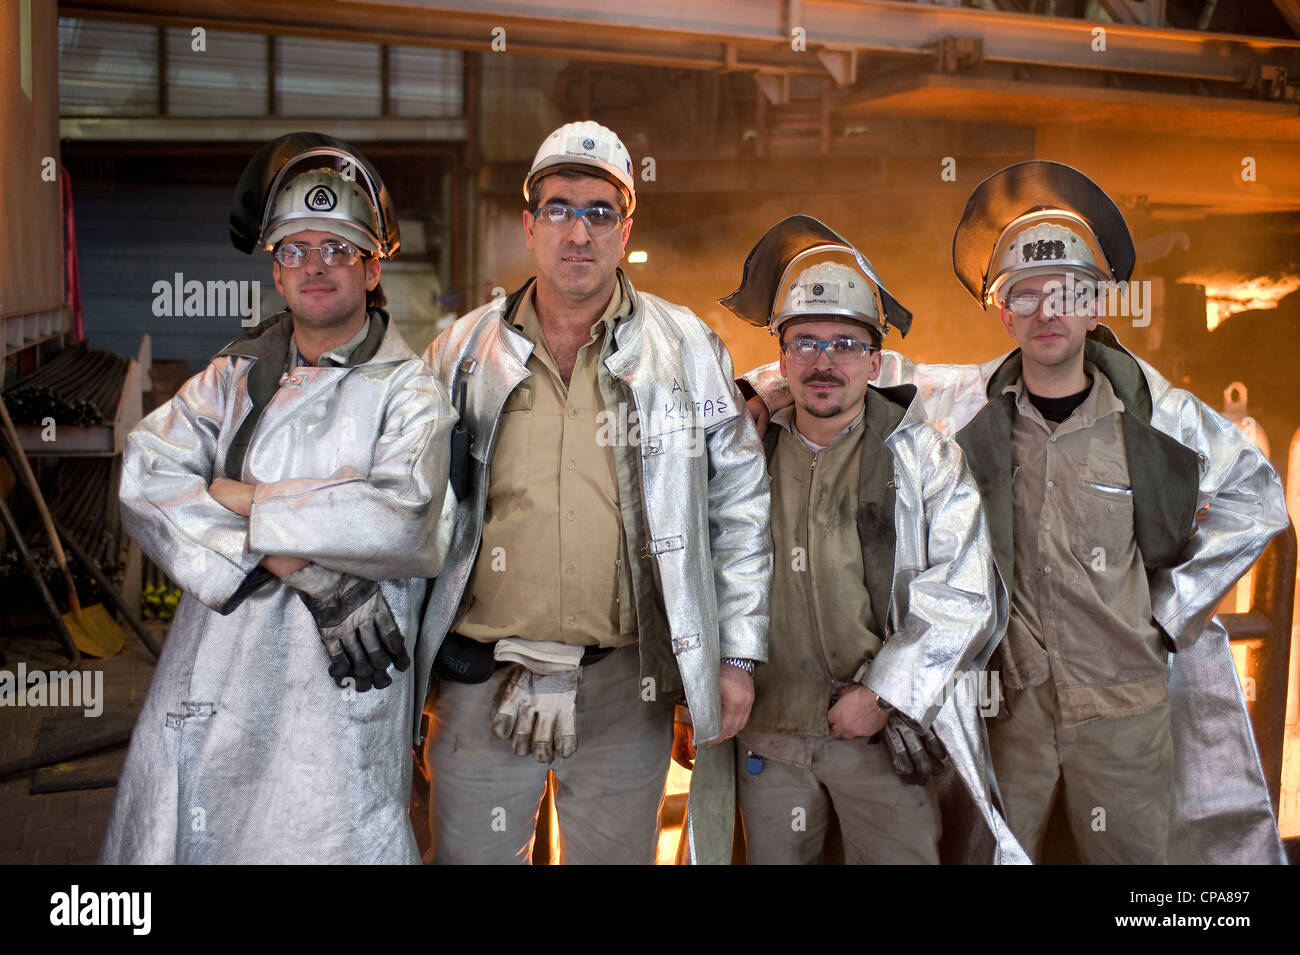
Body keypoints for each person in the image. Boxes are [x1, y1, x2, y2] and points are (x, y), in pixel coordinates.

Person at [742, 162, 1289, 863]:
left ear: (1097, 306)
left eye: (1067, 293)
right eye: (1026, 295)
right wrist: (754, 393)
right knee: (996, 853)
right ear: (1003, 312)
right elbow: (850, 364)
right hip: (1013, 708)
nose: (1047, 311)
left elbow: (1257, 494)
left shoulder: (1158, 414)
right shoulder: (970, 407)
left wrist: (1168, 609)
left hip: (1127, 705)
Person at [415, 121, 771, 865]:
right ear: (529, 225)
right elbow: (412, 507)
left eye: (599, 212)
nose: (578, 231)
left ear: (626, 227)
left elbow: (737, 501)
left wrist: (736, 654)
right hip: (480, 683)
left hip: (624, 689)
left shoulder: (686, 348)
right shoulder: (461, 349)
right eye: (558, 209)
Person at [101, 133, 456, 864]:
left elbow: (402, 518)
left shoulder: (410, 393)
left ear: (372, 264)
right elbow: (144, 475)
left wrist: (237, 496)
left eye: (337, 247)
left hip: (338, 707)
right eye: (295, 249)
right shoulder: (234, 378)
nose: (315, 265)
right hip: (215, 686)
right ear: (275, 266)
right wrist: (300, 562)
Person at [717, 215, 1022, 864]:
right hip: (768, 734)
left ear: (877, 361)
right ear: (780, 360)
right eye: (805, 343)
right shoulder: (741, 455)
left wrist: (885, 694)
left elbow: (962, 592)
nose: (824, 362)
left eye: (846, 345)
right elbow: (696, 571)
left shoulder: (922, 458)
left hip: (874, 736)